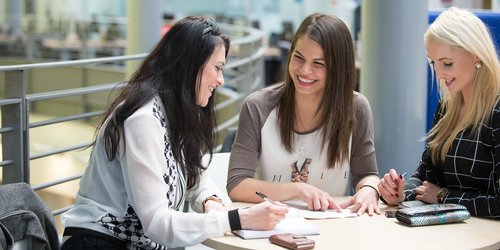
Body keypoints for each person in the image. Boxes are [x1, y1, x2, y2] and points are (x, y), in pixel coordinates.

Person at [60, 16, 288, 250]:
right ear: (191, 65)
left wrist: (210, 201)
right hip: (99, 242)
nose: (220, 80)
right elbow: (157, 223)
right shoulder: (143, 119)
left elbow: (198, 181)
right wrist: (236, 219)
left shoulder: (175, 114)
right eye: (217, 68)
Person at [226, 13, 381, 216]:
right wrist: (297, 189)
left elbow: (367, 174)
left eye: (318, 63)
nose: (304, 70)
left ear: (338, 68)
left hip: (336, 227)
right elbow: (237, 185)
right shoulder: (258, 106)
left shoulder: (357, 108)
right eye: (298, 57)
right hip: (273, 226)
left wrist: (370, 190)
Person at [378, 7, 500, 219]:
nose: (439, 73)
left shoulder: (496, 111)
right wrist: (399, 193)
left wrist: (445, 196)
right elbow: (426, 177)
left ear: (476, 55)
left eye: (447, 63)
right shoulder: (447, 107)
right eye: (433, 62)